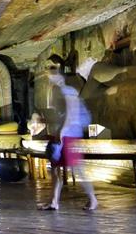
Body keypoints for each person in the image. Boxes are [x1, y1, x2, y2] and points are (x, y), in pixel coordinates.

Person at [38, 66, 98, 211]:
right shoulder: (55, 91)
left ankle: (93, 199)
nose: (50, 78)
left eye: (52, 75)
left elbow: (71, 114)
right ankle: (54, 202)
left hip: (69, 133)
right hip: (61, 132)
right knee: (55, 168)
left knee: (77, 168)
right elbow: (59, 115)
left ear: (60, 76)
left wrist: (62, 133)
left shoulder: (68, 91)